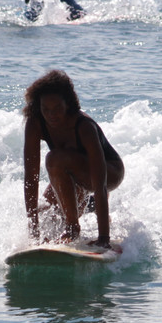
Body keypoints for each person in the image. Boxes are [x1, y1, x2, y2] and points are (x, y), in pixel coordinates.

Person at [22, 69, 123, 247]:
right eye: (46, 109)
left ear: (68, 104)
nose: (52, 115)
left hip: (109, 172)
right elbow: (31, 177)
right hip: (72, 173)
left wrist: (104, 239)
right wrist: (34, 232)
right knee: (47, 215)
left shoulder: (84, 126)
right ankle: (88, 206)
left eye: (57, 109)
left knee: (54, 159)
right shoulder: (35, 123)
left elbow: (100, 184)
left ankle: (73, 228)